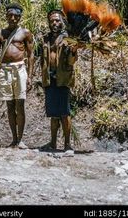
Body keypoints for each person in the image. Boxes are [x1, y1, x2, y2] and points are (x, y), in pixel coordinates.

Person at [0, 3, 34, 149]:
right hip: (5, 70)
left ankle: (21, 140)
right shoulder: (0, 34)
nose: (12, 18)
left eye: (16, 16)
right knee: (10, 105)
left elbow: (30, 55)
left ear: (19, 17)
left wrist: (29, 76)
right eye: (10, 15)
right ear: (6, 16)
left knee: (20, 104)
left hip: (19, 69)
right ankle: (14, 139)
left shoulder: (25, 33)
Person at [40, 9, 80, 152]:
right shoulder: (46, 38)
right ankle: (53, 143)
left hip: (63, 78)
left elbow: (71, 61)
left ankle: (67, 145)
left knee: (64, 113)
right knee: (53, 113)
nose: (55, 23)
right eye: (52, 21)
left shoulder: (68, 38)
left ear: (62, 21)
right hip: (50, 79)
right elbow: (42, 60)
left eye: (57, 20)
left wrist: (74, 51)